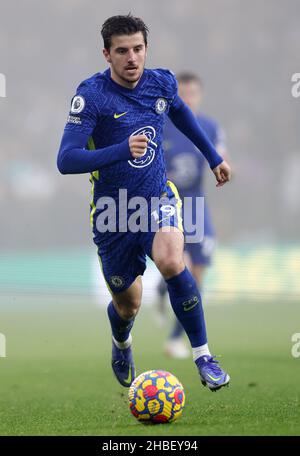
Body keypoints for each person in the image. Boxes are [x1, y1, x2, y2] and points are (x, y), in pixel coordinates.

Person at [57, 14, 231, 391]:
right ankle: (122, 343)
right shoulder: (91, 96)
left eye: (138, 49)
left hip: (157, 198)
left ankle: (203, 356)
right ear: (107, 54)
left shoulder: (161, 82)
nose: (132, 58)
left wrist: (212, 156)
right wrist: (121, 149)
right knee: (127, 305)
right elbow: (66, 159)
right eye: (122, 51)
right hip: (112, 213)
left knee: (172, 260)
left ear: (146, 49)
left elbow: (182, 113)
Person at [157, 72, 229, 359]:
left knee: (198, 271)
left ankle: (176, 336)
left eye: (192, 94)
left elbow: (222, 155)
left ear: (199, 95)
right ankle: (164, 289)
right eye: (182, 95)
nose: (188, 100)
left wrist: (224, 166)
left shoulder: (209, 127)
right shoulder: (161, 125)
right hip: (167, 204)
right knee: (180, 264)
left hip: (197, 205)